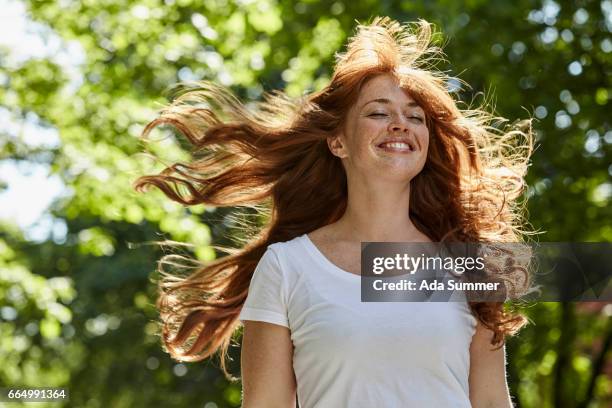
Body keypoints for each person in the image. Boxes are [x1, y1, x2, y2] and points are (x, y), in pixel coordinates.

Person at [134, 16, 533, 408]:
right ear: (338, 142)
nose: (400, 124)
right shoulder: (286, 268)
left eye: (415, 117)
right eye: (378, 112)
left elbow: (492, 400)